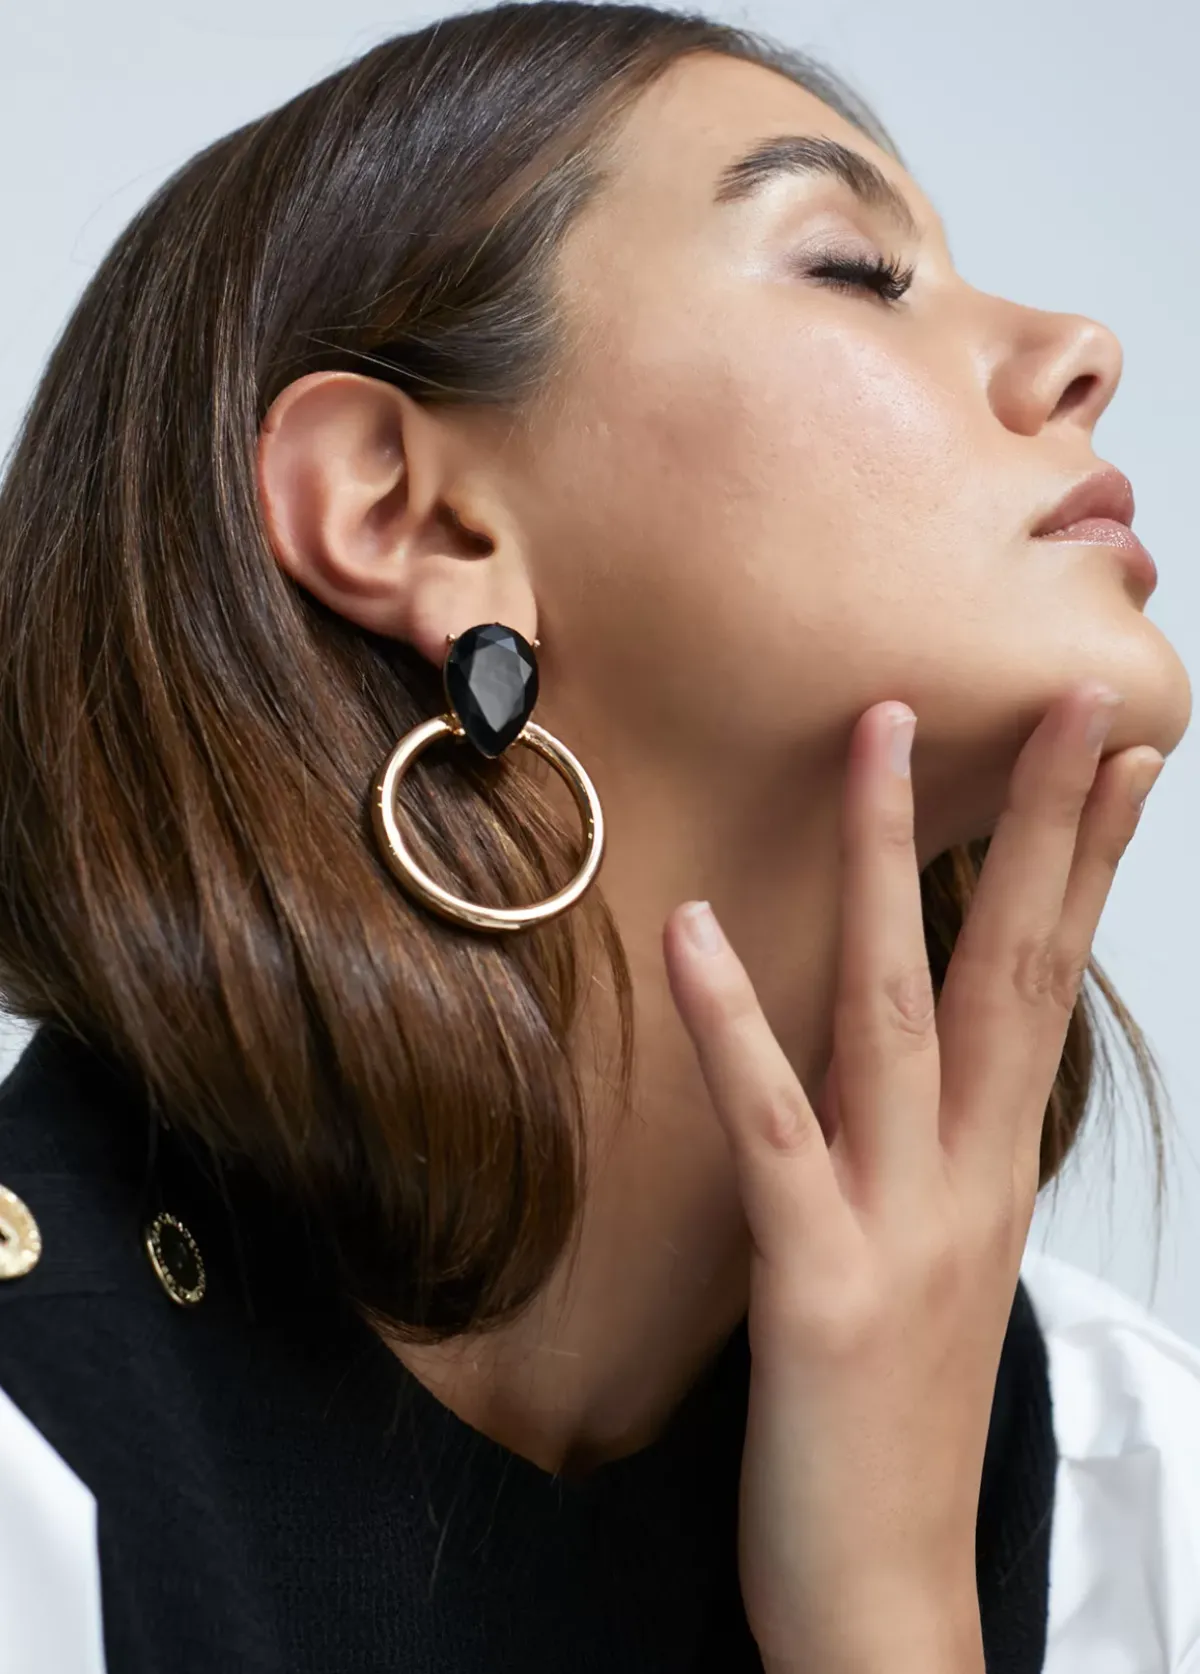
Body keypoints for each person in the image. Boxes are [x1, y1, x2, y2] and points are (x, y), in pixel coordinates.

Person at [0, 2, 1195, 1669]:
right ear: (412, 513)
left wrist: (890, 1605)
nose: (1081, 350)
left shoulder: (1132, 1500)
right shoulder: (35, 1462)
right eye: (857, 268)